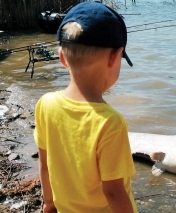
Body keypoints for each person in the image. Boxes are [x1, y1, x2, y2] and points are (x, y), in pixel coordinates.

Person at [33, 2, 137, 213]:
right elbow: (114, 193)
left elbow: (45, 165)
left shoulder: (45, 104)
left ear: (61, 57)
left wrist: (48, 203)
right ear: (115, 57)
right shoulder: (110, 123)